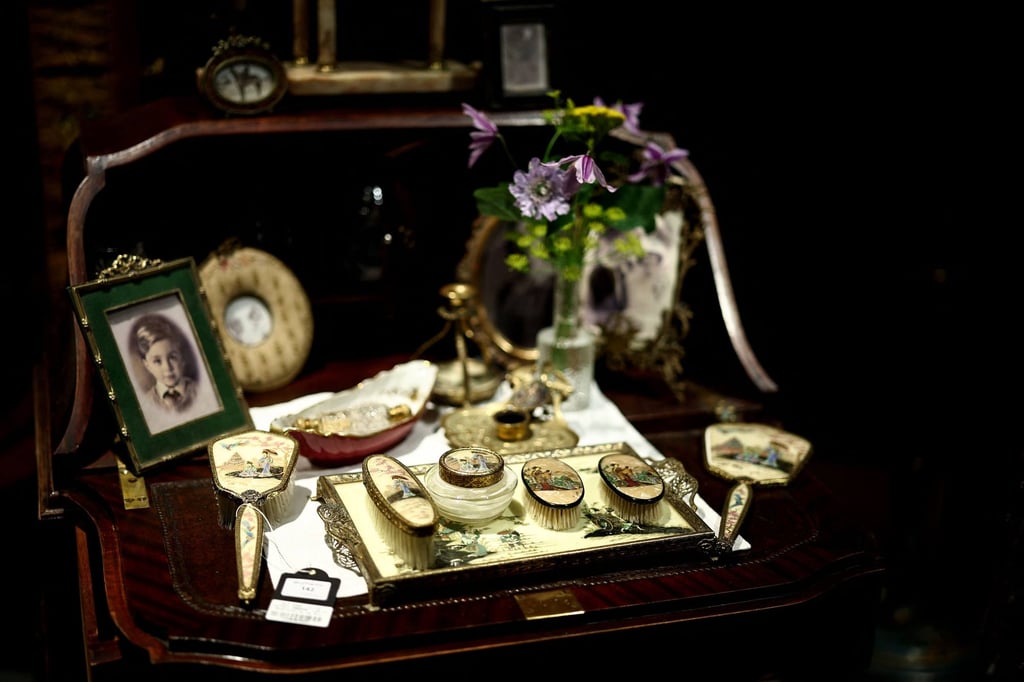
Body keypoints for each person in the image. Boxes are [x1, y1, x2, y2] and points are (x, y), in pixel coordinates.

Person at [130, 313, 199, 414]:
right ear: (147, 365)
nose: (167, 368)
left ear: (182, 358)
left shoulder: (199, 391)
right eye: (157, 361)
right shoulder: (145, 404)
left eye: (172, 357)